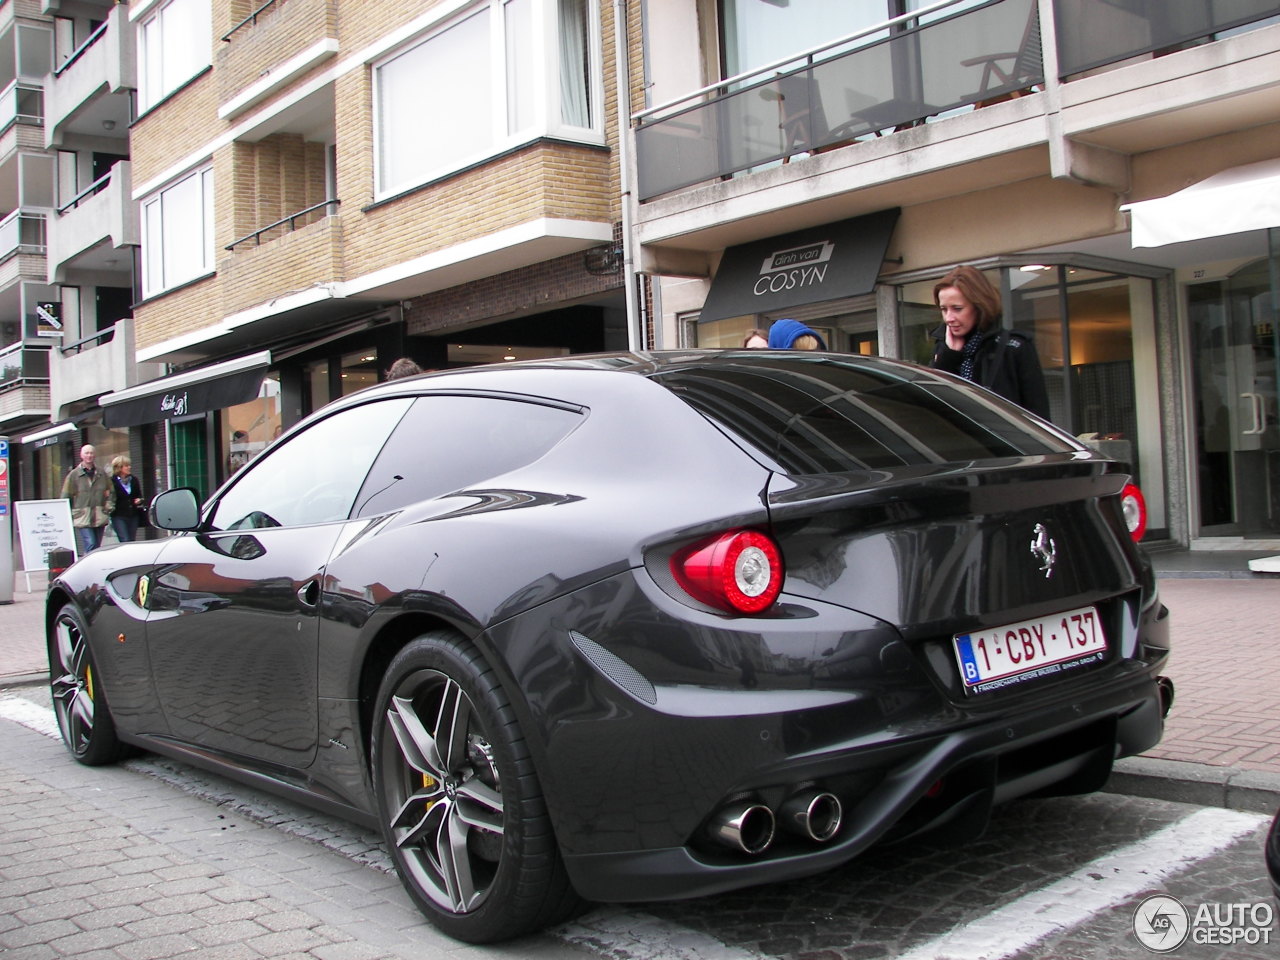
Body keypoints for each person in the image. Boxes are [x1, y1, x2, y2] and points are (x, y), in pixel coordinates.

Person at [928, 265, 1051, 420]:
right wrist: (949, 357)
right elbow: (932, 406)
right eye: (944, 309)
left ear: (980, 306)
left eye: (957, 308)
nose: (949, 318)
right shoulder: (943, 348)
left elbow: (1038, 415)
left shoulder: (1014, 347)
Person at [62, 444, 113, 556]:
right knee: (91, 542)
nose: (89, 455)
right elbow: (66, 495)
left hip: (99, 515)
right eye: (86, 453)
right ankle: (88, 567)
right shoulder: (73, 475)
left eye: (91, 453)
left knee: (97, 546)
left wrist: (109, 506)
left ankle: (95, 566)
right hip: (82, 516)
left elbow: (111, 491)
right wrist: (68, 514)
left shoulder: (102, 473)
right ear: (81, 455)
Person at [109, 455, 146, 543]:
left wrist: (139, 500)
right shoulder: (111, 481)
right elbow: (110, 498)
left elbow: (139, 495)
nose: (129, 467)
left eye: (129, 465)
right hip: (118, 515)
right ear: (119, 468)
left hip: (133, 515)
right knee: (125, 539)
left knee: (131, 540)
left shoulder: (134, 480)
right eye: (126, 466)